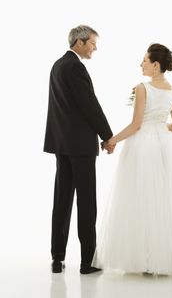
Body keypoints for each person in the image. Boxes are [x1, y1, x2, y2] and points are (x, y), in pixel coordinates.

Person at [92, 43, 172, 274]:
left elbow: (136, 125)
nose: (141, 64)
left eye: (144, 61)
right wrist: (160, 125)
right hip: (165, 147)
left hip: (142, 147)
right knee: (164, 200)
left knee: (139, 199)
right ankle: (164, 259)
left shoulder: (142, 88)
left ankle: (143, 258)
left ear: (156, 65)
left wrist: (112, 140)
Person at [43, 25, 114, 274]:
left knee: (61, 201)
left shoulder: (57, 65)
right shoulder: (75, 67)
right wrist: (108, 136)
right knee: (86, 203)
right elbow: (89, 106)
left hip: (61, 144)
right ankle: (87, 262)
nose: (95, 48)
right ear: (80, 42)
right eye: (93, 43)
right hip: (81, 147)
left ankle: (57, 258)